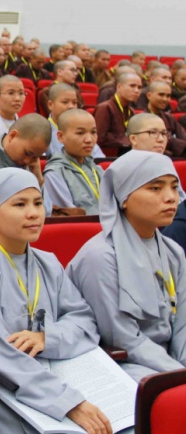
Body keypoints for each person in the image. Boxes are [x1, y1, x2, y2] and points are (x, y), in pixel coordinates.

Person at [0, 168, 135, 434]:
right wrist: (67, 402)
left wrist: (46, 338)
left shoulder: (48, 263)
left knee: (134, 432)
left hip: (61, 372)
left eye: (38, 203)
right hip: (4, 387)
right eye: (19, 204)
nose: (33, 214)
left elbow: (84, 321)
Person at [67, 151, 186, 381]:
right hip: (124, 363)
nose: (171, 197)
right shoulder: (100, 257)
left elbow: (182, 326)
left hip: (169, 361)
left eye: (174, 187)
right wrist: (178, 374)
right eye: (155, 188)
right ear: (124, 197)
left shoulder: (174, 251)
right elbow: (122, 338)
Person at [42, 109, 105, 215]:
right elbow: (70, 216)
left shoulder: (96, 169)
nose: (89, 139)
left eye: (93, 132)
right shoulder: (55, 173)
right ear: (60, 137)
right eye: (80, 133)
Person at [94, 72, 140, 154]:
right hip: (107, 156)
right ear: (119, 87)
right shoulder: (105, 108)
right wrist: (125, 141)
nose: (136, 90)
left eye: (139, 87)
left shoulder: (131, 111)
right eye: (132, 86)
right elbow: (100, 138)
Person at [139, 81, 186, 156]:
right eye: (161, 95)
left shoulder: (169, 118)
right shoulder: (141, 119)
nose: (165, 99)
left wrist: (171, 140)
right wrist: (171, 140)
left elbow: (183, 137)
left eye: (168, 96)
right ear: (149, 95)